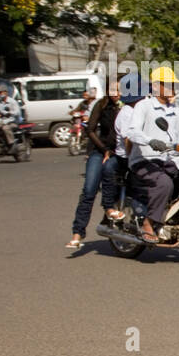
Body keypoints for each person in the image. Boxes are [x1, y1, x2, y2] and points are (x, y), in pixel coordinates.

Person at [127, 66, 179, 243]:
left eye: (173, 85)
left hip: (170, 161)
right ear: (155, 86)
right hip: (144, 160)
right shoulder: (144, 106)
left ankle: (175, 218)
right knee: (164, 184)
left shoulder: (177, 111)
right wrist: (150, 141)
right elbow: (132, 132)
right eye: (167, 84)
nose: (172, 88)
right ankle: (149, 223)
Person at [67, 87, 125, 249]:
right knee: (89, 189)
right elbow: (90, 129)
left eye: (119, 90)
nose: (116, 93)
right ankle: (77, 233)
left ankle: (108, 210)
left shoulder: (128, 106)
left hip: (118, 152)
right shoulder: (101, 104)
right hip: (99, 150)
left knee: (111, 176)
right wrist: (104, 150)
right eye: (113, 90)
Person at [0, 85, 22, 149]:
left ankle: (12, 144)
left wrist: (10, 113)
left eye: (1, 92)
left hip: (12, 122)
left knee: (5, 128)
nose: (0, 94)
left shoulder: (12, 102)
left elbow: (17, 112)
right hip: (2, 121)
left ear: (6, 92)